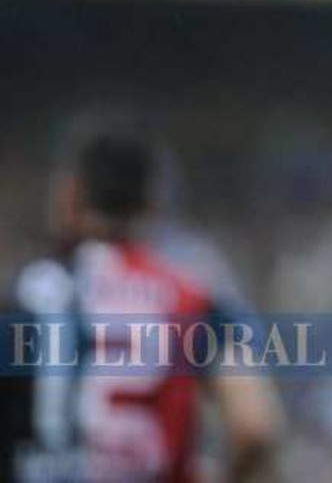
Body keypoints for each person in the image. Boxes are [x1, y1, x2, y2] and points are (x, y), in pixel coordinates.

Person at [0, 119, 282, 483]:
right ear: (151, 203)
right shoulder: (191, 299)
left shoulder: (21, 295)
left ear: (71, 195)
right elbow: (254, 426)